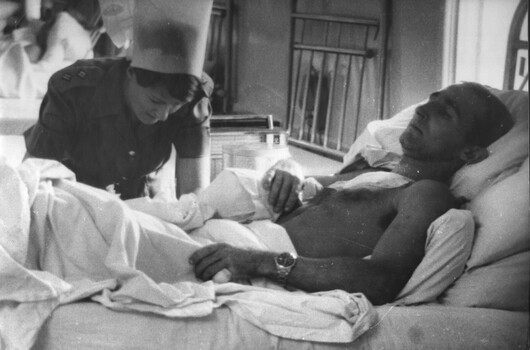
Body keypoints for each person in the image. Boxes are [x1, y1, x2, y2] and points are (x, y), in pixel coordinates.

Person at [189, 82, 514, 305]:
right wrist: (290, 169)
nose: (423, 110)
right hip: (230, 242)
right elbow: (310, 181)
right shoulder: (381, 172)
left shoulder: (426, 195)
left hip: (249, 261)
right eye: (433, 98)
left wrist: (260, 262)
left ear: (471, 154)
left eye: (445, 113)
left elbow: (381, 279)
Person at [23, 0, 214, 199]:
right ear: (130, 73)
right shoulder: (72, 91)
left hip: (148, 205)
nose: (164, 115)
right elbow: (34, 179)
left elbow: (195, 193)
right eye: (156, 101)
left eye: (175, 106)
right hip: (76, 203)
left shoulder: (194, 98)